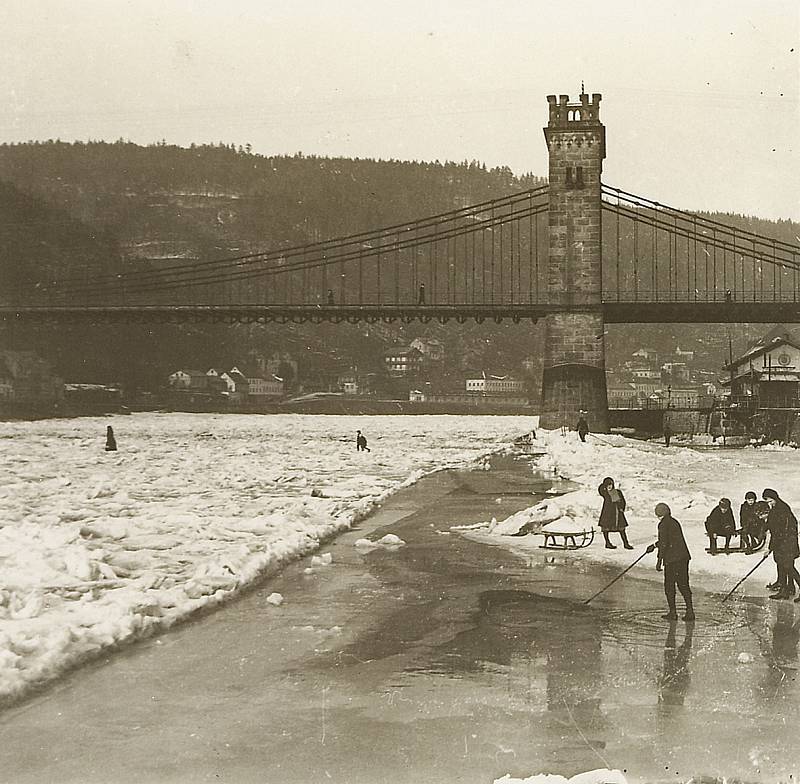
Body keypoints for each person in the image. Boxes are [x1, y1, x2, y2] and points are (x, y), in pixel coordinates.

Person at [647, 502, 694, 622]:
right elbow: (668, 539)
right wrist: (653, 545)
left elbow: (664, 543)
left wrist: (659, 561)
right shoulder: (674, 521)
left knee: (669, 586)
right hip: (683, 557)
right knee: (683, 585)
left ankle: (673, 612)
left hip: (672, 560)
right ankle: (690, 611)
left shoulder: (662, 524)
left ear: (660, 514)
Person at [762, 488, 800, 600]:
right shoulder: (779, 507)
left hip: (787, 543)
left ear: (775, 498)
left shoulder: (781, 509)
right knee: (782, 565)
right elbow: (772, 527)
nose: (769, 504)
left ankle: (786, 590)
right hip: (784, 542)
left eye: (770, 501)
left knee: (788, 567)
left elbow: (777, 532)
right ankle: (786, 590)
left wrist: (769, 548)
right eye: (767, 502)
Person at [597, 477, 634, 550]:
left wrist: (622, 508)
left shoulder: (618, 492)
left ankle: (626, 543)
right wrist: (604, 485)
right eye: (608, 485)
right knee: (606, 529)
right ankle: (607, 543)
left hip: (617, 513)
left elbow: (623, 501)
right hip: (607, 513)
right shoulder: (605, 493)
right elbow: (600, 489)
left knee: (622, 529)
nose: (610, 486)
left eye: (611, 484)